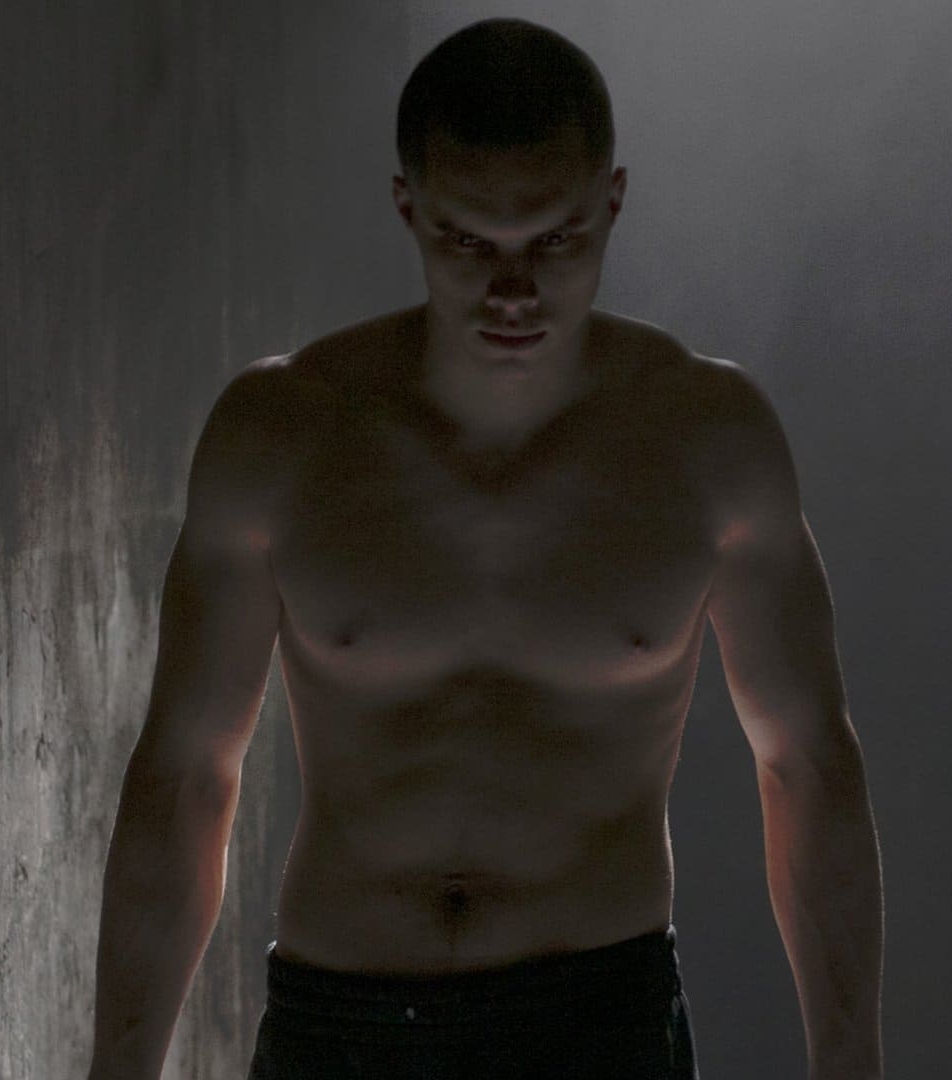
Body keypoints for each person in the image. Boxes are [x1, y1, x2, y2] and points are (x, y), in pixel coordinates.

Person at [86, 16, 883, 1080]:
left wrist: (850, 1059)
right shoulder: (282, 435)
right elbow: (188, 774)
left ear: (611, 201)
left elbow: (806, 763)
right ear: (408, 207)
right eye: (469, 242)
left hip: (597, 1025)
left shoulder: (708, 442)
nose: (514, 290)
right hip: (343, 1025)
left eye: (554, 239)